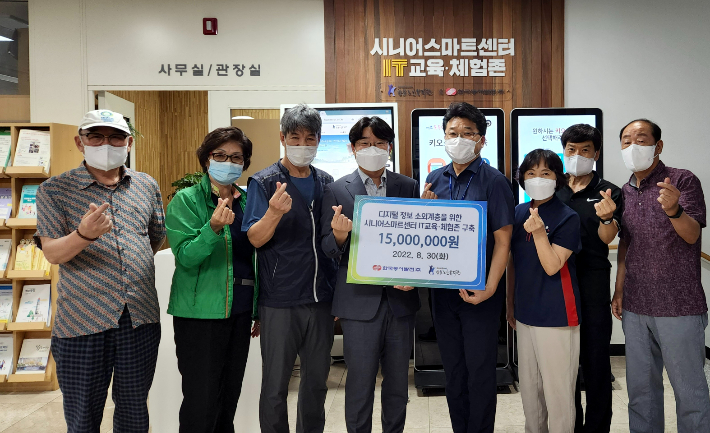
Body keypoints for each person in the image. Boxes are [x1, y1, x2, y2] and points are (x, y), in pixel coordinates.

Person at [35, 110, 166, 433]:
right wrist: (84, 236)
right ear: (80, 142)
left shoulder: (146, 185)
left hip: (139, 318)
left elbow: (154, 236)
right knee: (83, 416)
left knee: (135, 412)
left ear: (129, 142)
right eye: (96, 136)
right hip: (82, 321)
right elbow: (52, 253)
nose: (106, 144)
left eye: (116, 137)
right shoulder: (55, 190)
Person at [320, 117, 421, 433]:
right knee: (360, 384)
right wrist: (338, 235)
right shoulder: (336, 190)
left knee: (397, 387)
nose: (373, 149)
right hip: (358, 304)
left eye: (380, 143)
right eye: (365, 143)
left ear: (389, 147)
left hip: (400, 301)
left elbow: (419, 242)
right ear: (352, 148)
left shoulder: (408, 186)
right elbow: (327, 248)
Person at [242, 103, 338, 433]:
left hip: (320, 300)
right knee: (275, 387)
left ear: (318, 141)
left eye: (310, 138)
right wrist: (272, 213)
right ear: (282, 138)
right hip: (279, 301)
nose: (302, 145)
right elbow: (254, 238)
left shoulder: (326, 181)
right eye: (295, 137)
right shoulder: (264, 182)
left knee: (315, 385)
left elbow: (331, 242)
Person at [611, 119, 709, 433]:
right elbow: (627, 244)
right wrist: (620, 290)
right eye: (626, 141)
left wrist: (674, 210)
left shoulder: (682, 180)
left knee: (690, 391)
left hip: (679, 306)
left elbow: (693, 235)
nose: (632, 146)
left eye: (641, 139)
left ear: (658, 146)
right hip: (636, 305)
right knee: (641, 392)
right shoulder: (625, 191)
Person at [422, 102, 515, 433]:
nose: (459, 139)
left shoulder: (495, 182)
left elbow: (503, 241)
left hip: (480, 291)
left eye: (467, 133)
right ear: (443, 137)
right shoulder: (435, 179)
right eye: (452, 133)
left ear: (481, 140)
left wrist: (490, 289)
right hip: (443, 293)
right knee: (454, 370)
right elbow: (426, 239)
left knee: (479, 371)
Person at [166, 126, 260, 433]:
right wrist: (213, 228)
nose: (228, 162)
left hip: (240, 312)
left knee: (228, 398)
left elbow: (254, 261)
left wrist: (258, 309)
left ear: (244, 163)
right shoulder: (187, 200)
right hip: (200, 315)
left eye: (236, 157)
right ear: (207, 158)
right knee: (201, 402)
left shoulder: (248, 202)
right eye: (221, 155)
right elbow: (186, 257)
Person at [508, 149, 582, 433]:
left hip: (557, 314)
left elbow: (552, 266)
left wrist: (539, 233)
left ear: (558, 178)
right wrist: (510, 305)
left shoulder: (567, 217)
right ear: (522, 179)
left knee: (558, 393)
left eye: (546, 173)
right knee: (531, 390)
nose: (537, 179)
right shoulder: (517, 212)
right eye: (530, 173)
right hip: (525, 312)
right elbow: (513, 263)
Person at [555, 124, 622, 433]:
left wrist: (607, 217)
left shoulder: (609, 191)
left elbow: (608, 236)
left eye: (584, 150)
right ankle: (570, 424)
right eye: (571, 149)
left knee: (595, 361)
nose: (577, 155)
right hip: (556, 279)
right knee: (564, 364)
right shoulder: (553, 188)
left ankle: (596, 428)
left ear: (596, 153)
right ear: (563, 151)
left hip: (592, 279)